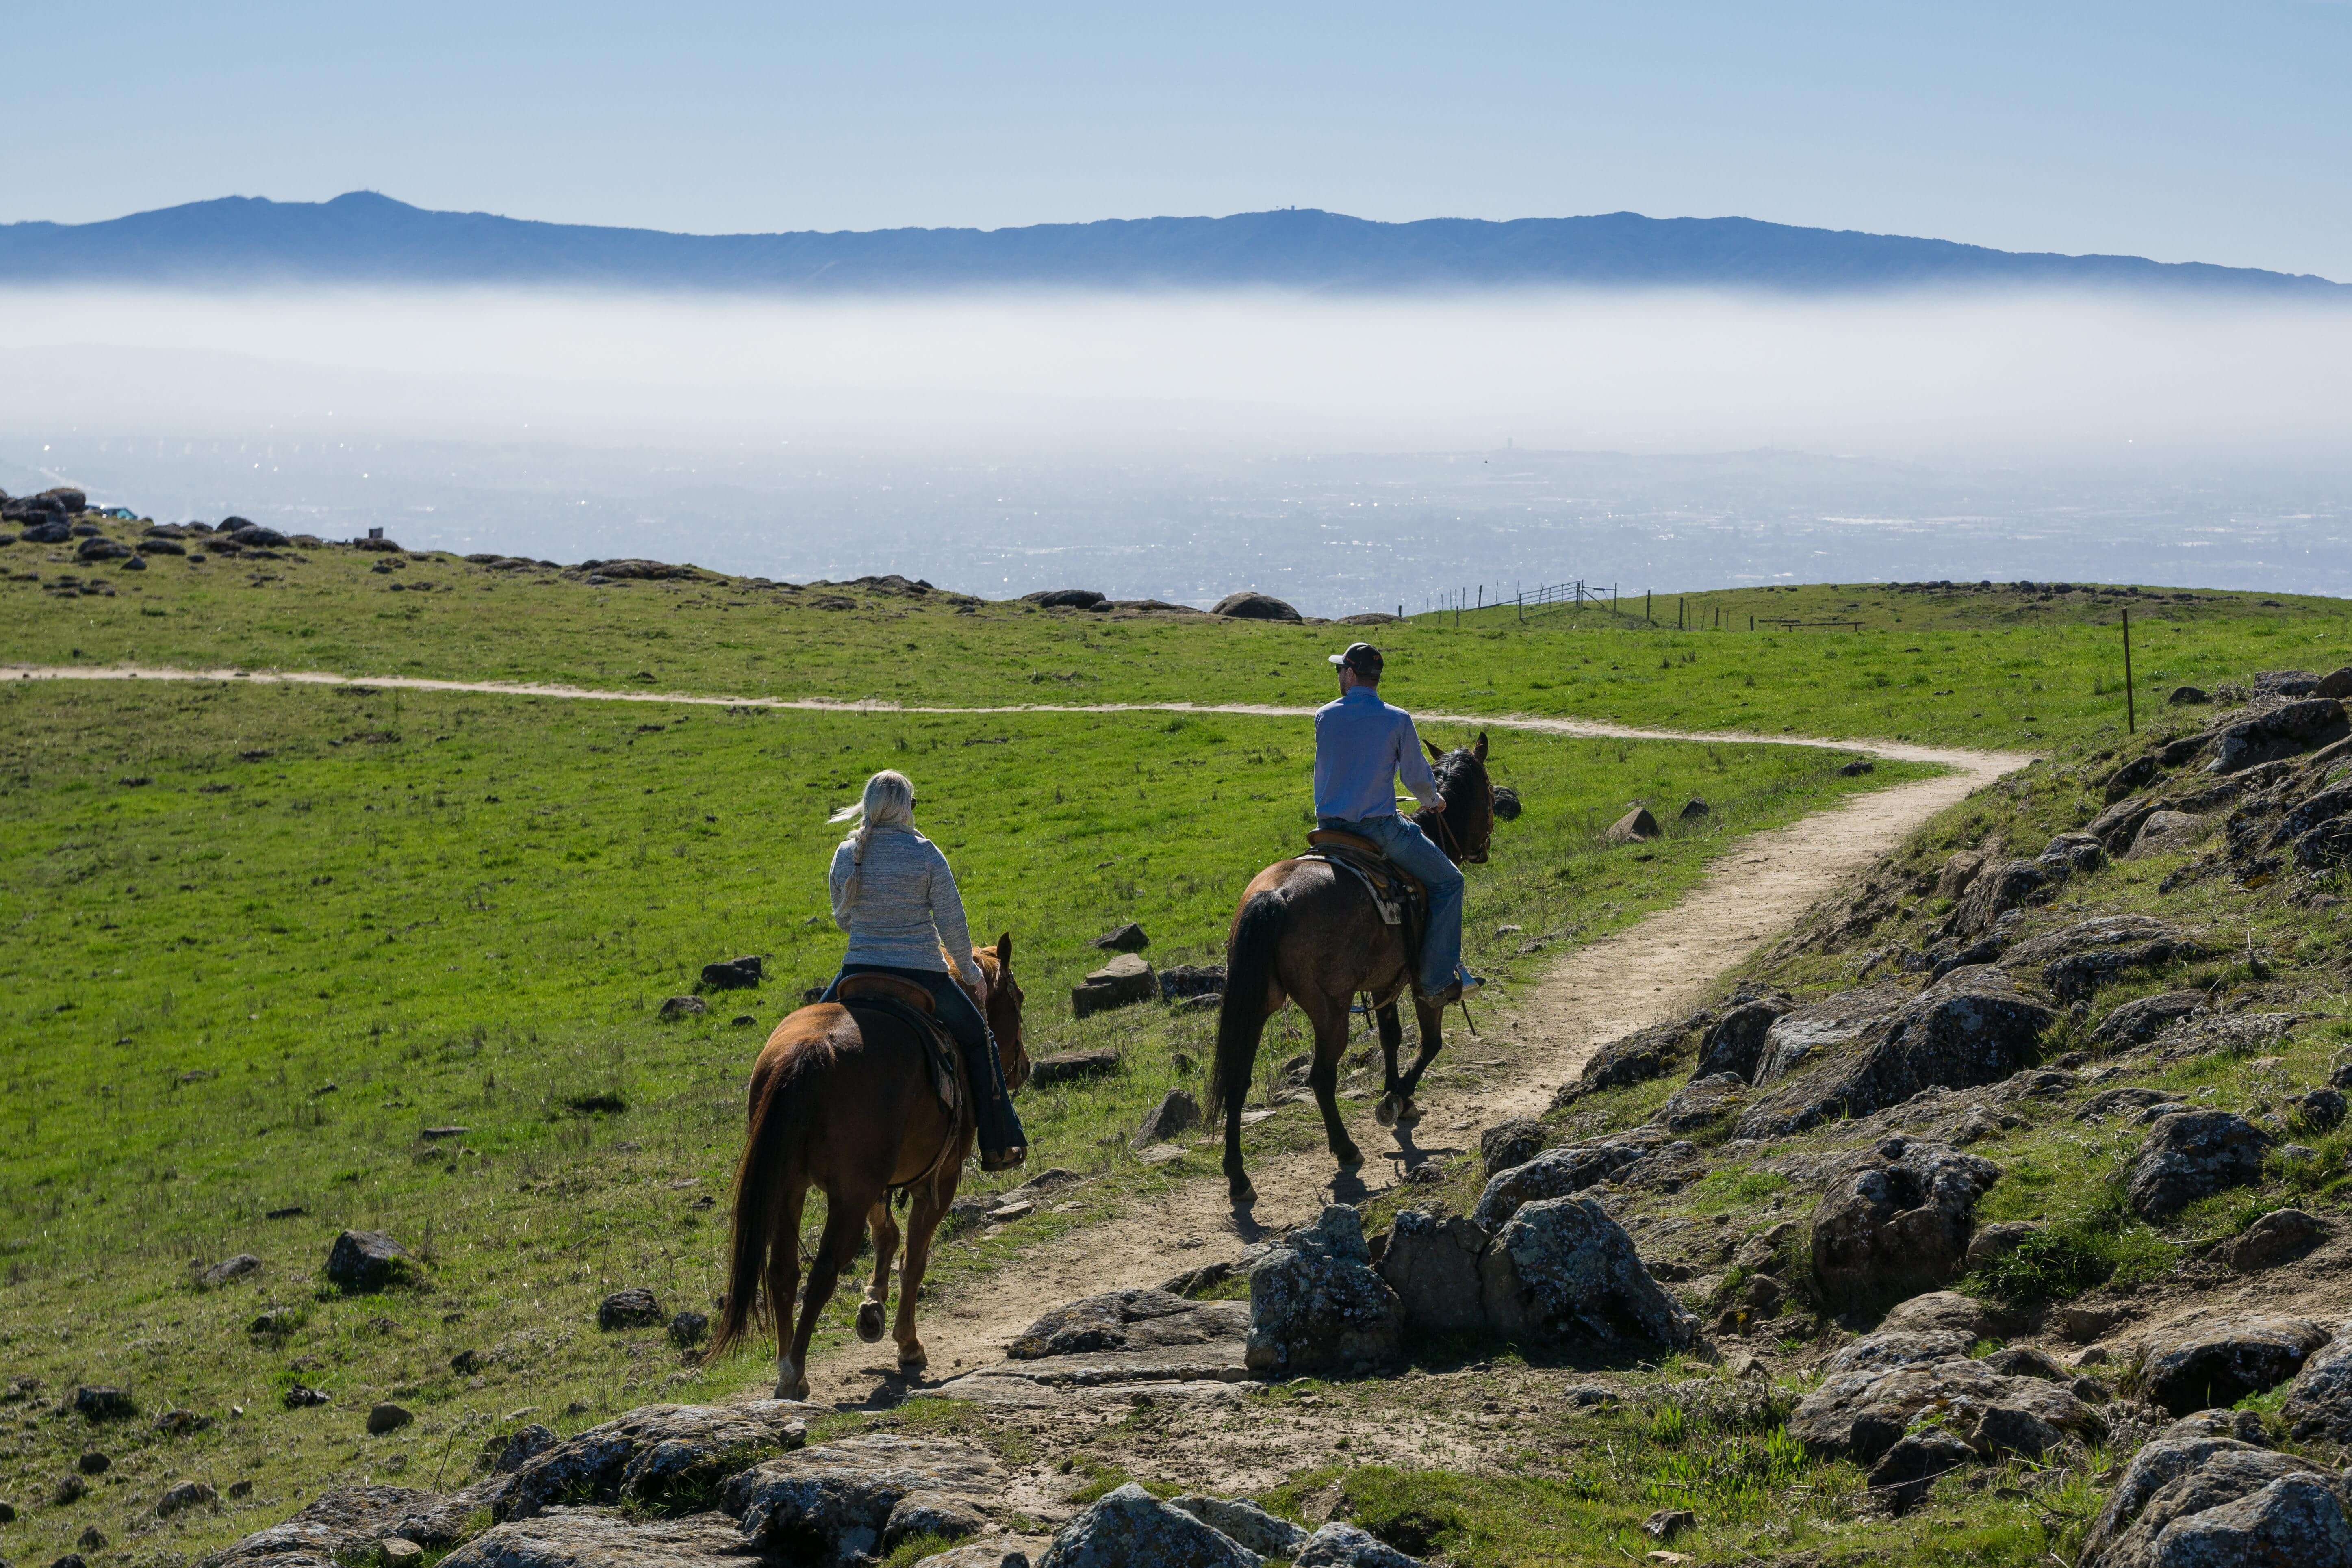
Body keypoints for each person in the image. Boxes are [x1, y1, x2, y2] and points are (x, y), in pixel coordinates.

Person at [822, 770, 1026, 1171]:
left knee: (800, 1038)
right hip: (923, 974)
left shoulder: (848, 854)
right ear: (906, 808)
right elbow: (952, 927)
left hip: (857, 971)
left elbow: (843, 919)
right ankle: (999, 1143)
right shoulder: (926, 853)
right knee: (981, 1041)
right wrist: (971, 976)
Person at [1312, 642, 1483, 1004]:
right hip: (1379, 831)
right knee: (1451, 881)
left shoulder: (1324, 716)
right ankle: (1436, 981)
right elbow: (1418, 780)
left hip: (1328, 830)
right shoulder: (1397, 719)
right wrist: (1434, 801)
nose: (1339, 676)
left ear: (1352, 674)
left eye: (1340, 669)